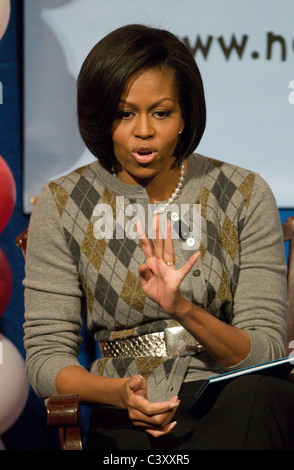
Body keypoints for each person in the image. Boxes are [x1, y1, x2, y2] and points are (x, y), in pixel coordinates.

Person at [23, 24, 294, 450]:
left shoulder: (243, 193)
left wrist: (181, 308)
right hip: (126, 415)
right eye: (124, 113)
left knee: (261, 398)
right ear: (101, 116)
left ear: (185, 114)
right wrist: (118, 395)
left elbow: (265, 352)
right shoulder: (63, 204)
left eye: (161, 112)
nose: (144, 130)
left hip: (231, 400)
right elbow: (46, 359)